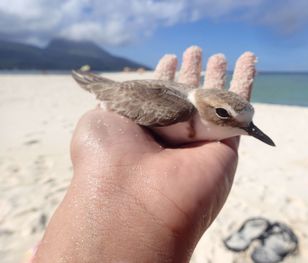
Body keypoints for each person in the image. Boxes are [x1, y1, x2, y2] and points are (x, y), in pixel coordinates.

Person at [31, 46, 256, 263]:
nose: (248, 128)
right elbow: (124, 100)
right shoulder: (179, 111)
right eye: (223, 114)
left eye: (249, 123)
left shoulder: (212, 127)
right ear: (206, 108)